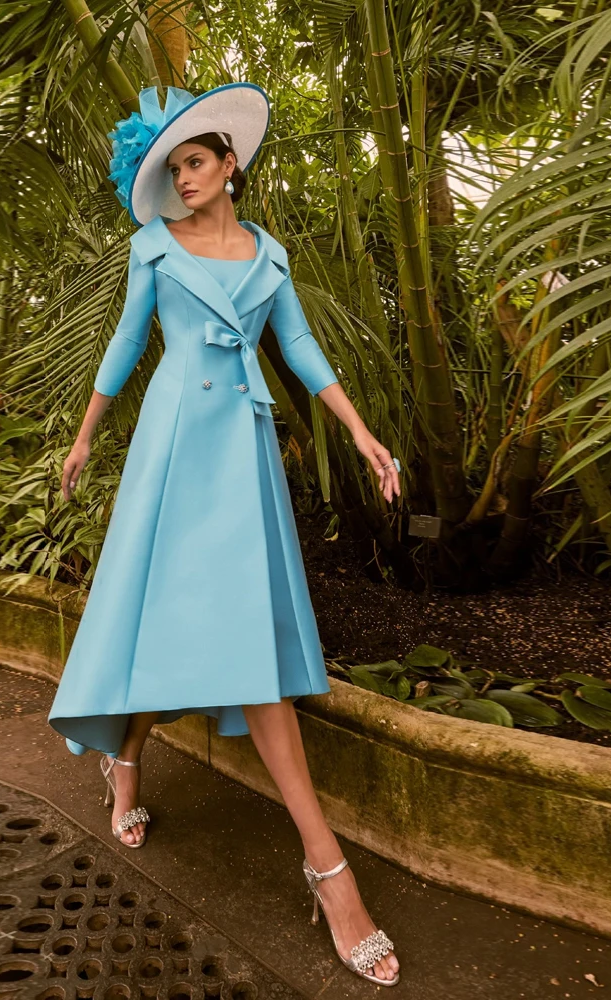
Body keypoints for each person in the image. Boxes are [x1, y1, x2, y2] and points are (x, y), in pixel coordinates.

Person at [48, 82, 401, 986]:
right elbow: (126, 350)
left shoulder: (269, 255)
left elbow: (304, 350)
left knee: (248, 650)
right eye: (174, 169)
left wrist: (361, 433)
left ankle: (325, 870)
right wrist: (87, 437)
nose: (185, 179)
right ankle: (127, 758)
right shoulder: (152, 250)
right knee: (153, 620)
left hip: (241, 456)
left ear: (231, 163)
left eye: (197, 162)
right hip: (174, 450)